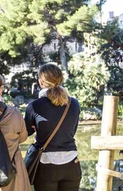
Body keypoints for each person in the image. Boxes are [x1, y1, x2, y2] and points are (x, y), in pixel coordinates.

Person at [24, 63, 81, 191]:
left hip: (47, 165)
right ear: (60, 79)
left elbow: (25, 133)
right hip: (72, 163)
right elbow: (72, 130)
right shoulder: (74, 104)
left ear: (41, 81)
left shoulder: (35, 106)